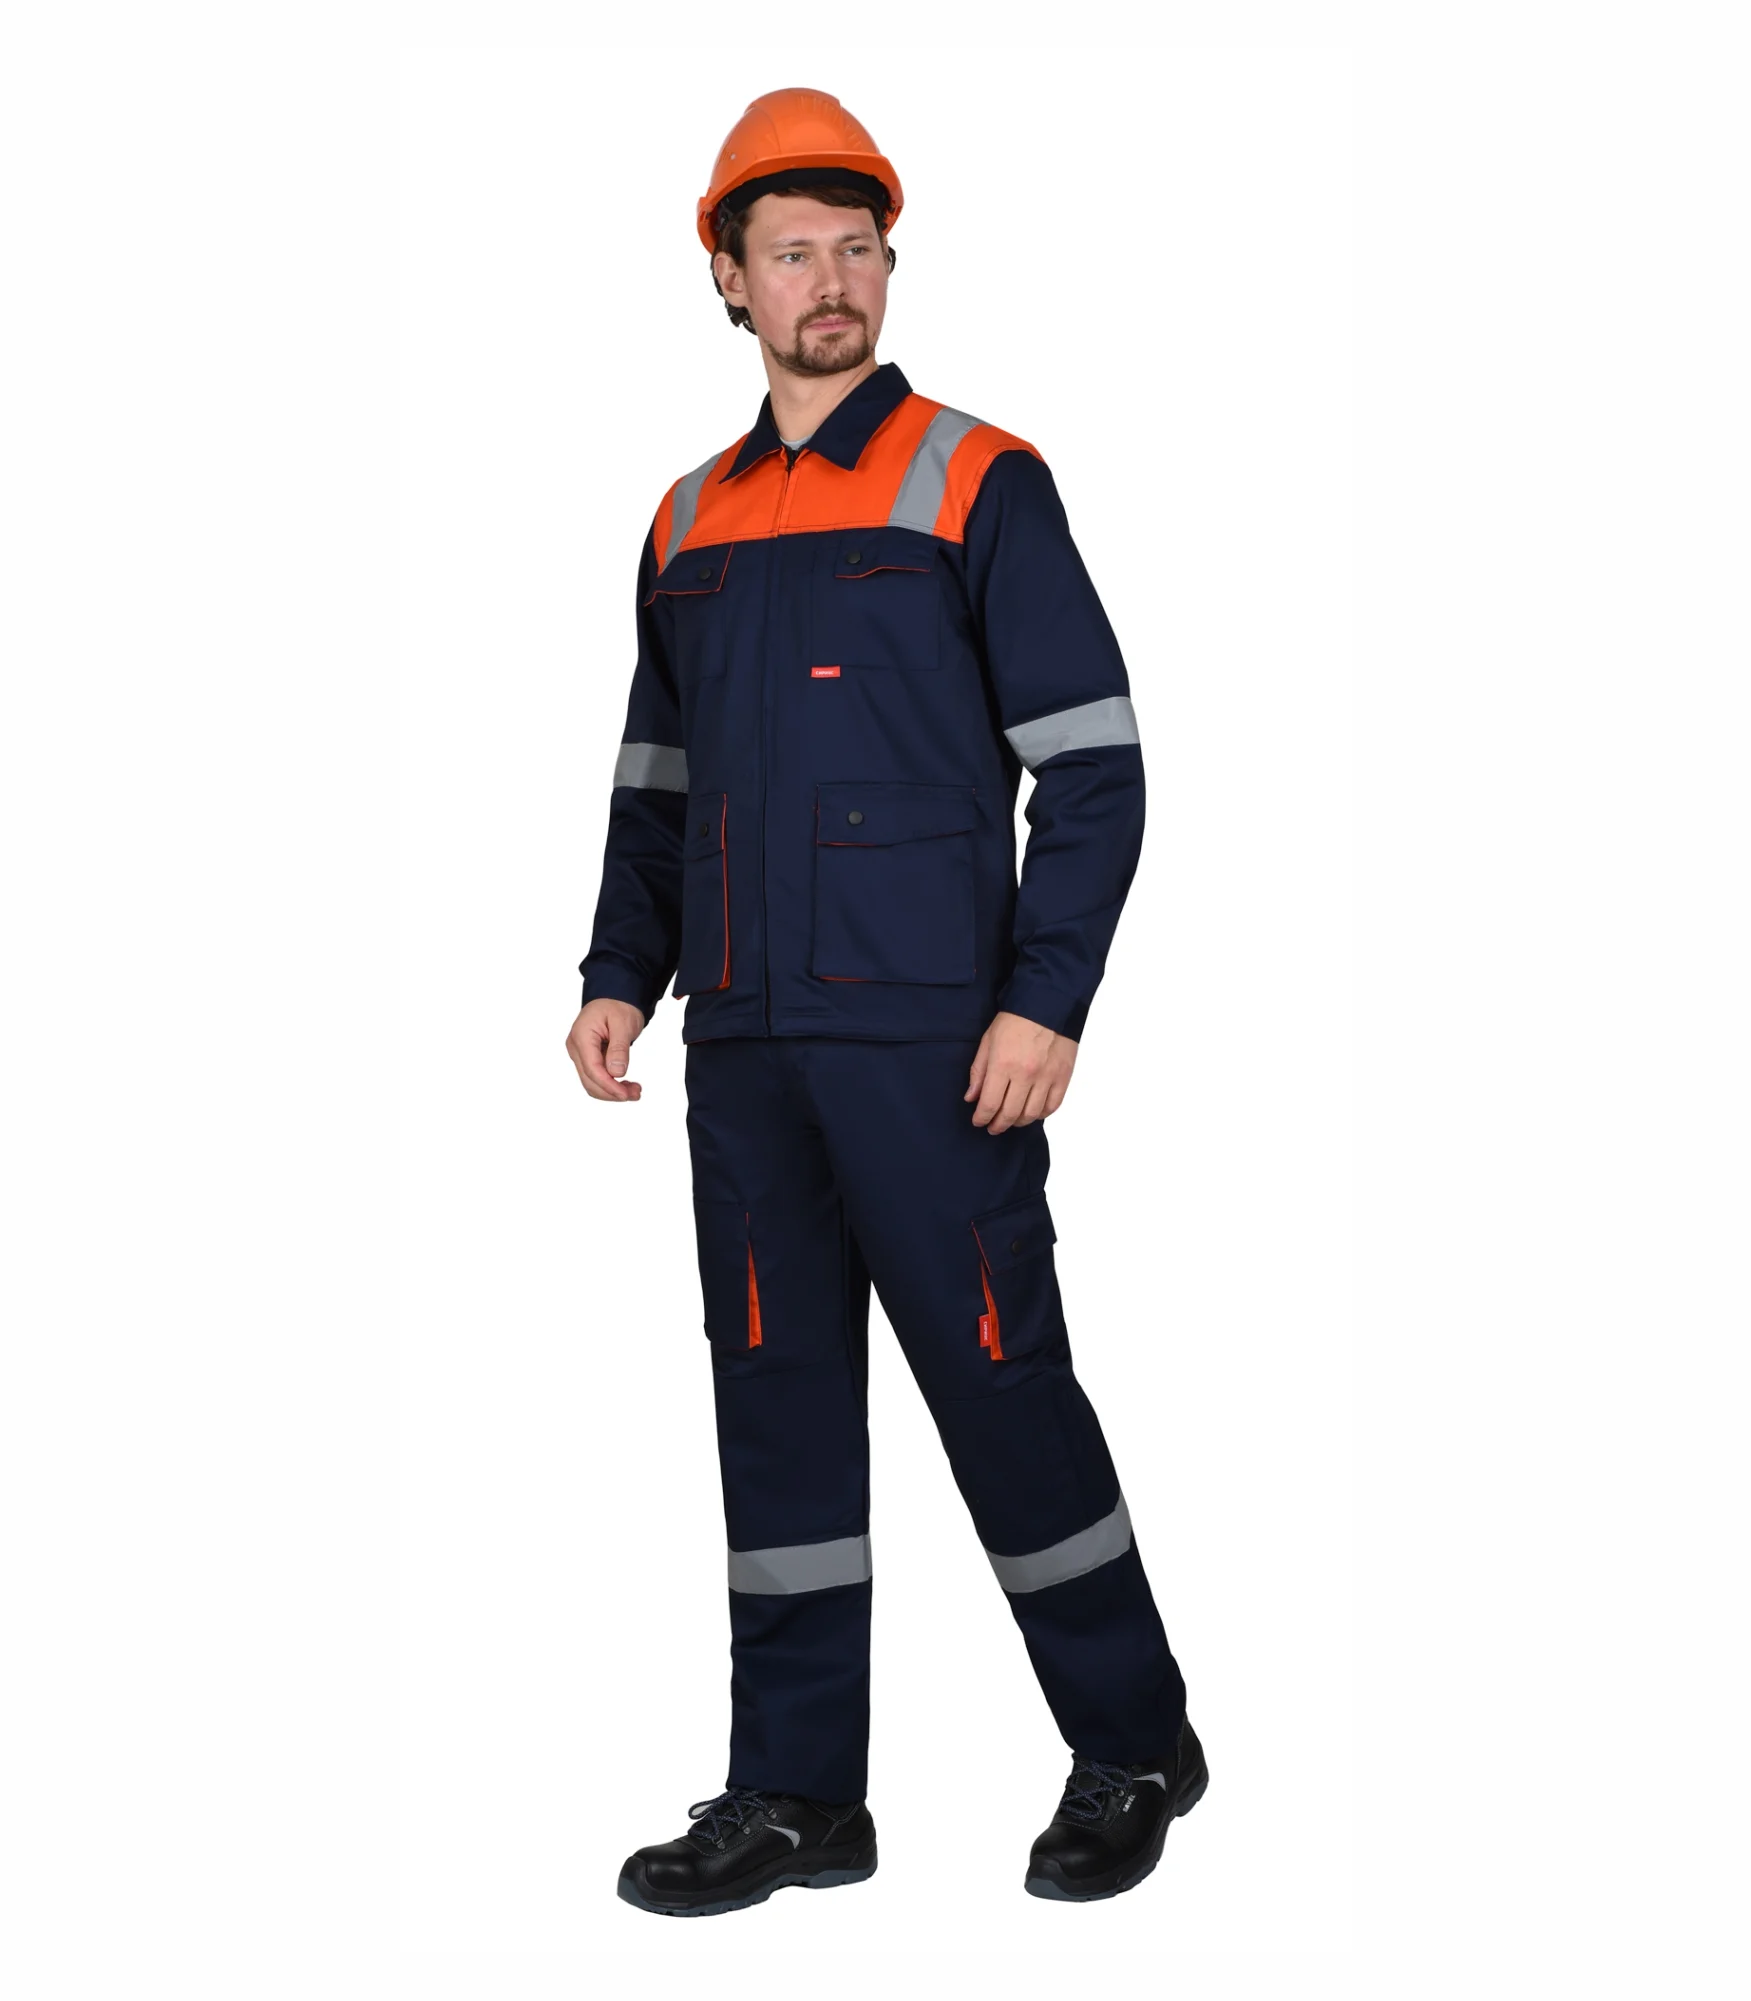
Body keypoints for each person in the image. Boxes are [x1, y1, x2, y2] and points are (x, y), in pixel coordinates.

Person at [568, 87, 1206, 1916]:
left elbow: (1095, 763)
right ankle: (796, 1793)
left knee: (1000, 1392)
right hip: (747, 1049)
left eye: (855, 250)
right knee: (772, 1406)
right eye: (791, 254)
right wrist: (619, 971)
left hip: (938, 1051)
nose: (828, 281)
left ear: (886, 269)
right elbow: (658, 782)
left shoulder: (976, 479)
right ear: (729, 281)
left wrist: (1045, 1002)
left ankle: (1134, 1744)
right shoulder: (685, 519)